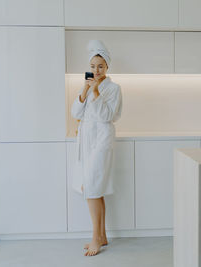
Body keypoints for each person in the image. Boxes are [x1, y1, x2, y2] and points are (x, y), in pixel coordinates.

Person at [71, 40, 122, 256]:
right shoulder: (88, 85)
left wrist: (96, 92)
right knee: (94, 190)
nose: (96, 70)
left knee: (92, 188)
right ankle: (101, 235)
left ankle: (95, 239)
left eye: (100, 66)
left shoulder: (114, 89)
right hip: (87, 139)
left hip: (101, 140)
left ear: (107, 67)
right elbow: (76, 113)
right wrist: (85, 90)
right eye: (92, 66)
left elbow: (108, 116)